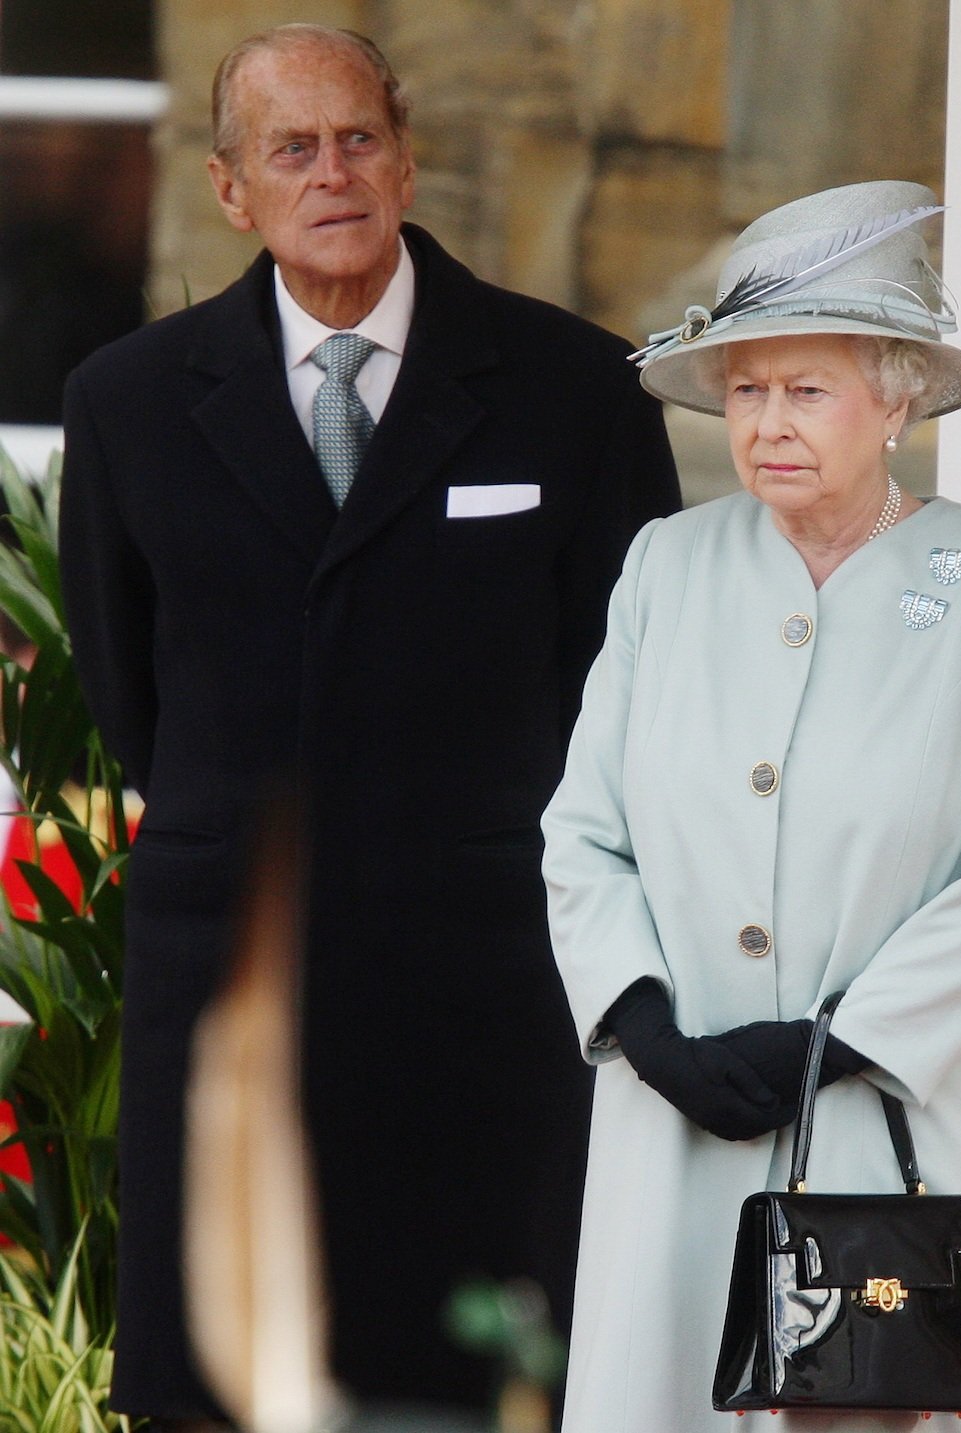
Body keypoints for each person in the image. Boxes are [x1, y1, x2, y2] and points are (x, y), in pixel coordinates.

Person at [58, 25, 679, 1422]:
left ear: (405, 157)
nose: (331, 173)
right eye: (292, 148)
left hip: (491, 991)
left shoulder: (576, 390)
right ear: (230, 190)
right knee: (227, 1367)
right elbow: (128, 696)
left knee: (481, 1368)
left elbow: (630, 692)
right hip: (233, 980)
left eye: (356, 139)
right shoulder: (129, 405)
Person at [541, 178, 961, 1430]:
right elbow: (583, 831)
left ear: (895, 399)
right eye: (744, 389)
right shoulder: (665, 566)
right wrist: (645, 1025)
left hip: (871, 1119)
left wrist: (831, 1045)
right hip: (667, 1109)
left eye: (806, 388)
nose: (767, 421)